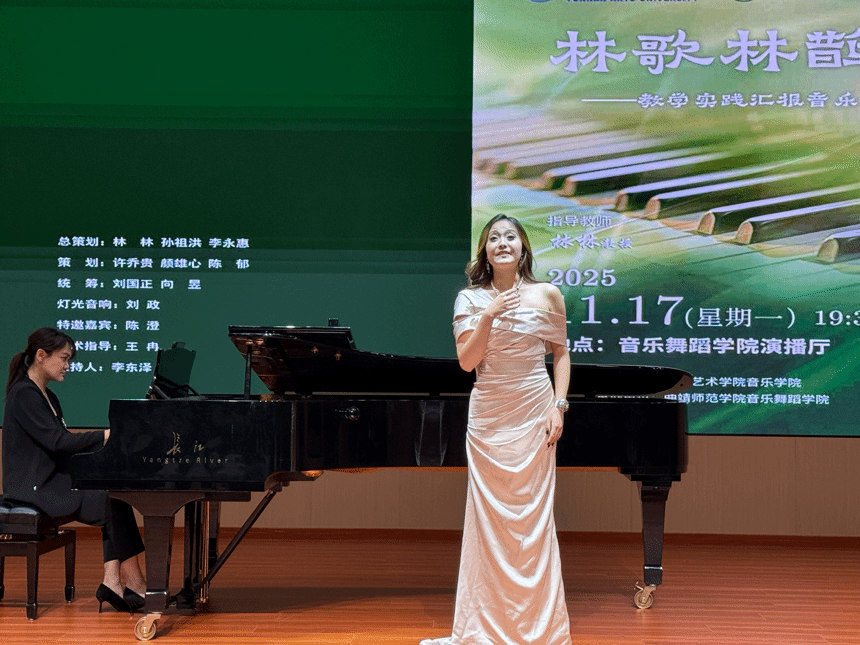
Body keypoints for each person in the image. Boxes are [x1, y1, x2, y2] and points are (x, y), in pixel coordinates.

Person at [421, 214, 572, 645]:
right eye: (493, 238)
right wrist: (488, 314)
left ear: (522, 248)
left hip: (535, 408)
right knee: (489, 521)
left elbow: (560, 354)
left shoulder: (548, 294)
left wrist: (559, 406)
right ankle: (485, 625)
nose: (502, 243)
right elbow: (467, 362)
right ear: (485, 252)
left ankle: (538, 628)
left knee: (533, 520)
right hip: (489, 413)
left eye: (510, 237)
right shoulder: (469, 299)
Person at [3, 327, 147, 614]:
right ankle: (133, 583)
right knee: (111, 500)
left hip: (51, 480)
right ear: (41, 356)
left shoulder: (48, 396)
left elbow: (62, 445)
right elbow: (58, 442)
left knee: (113, 494)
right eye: (64, 358)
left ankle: (115, 581)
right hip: (33, 488)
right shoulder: (24, 395)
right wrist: (104, 436)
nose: (68, 365)